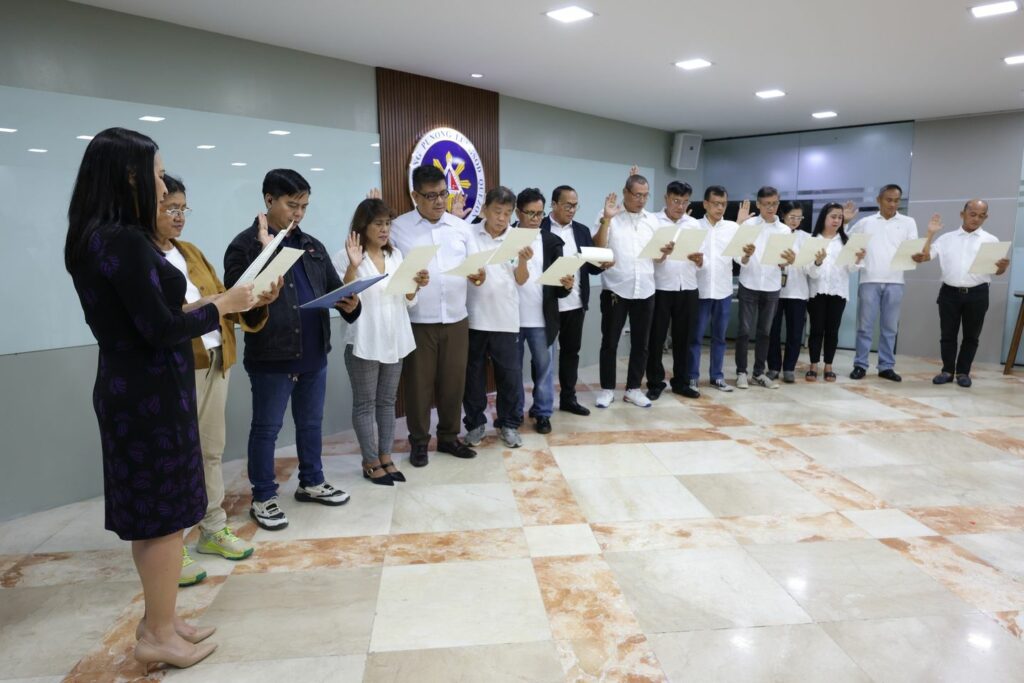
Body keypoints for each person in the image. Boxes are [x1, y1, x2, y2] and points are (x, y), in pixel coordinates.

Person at [65, 127, 255, 669]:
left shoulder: (94, 235)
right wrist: (222, 306)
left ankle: (162, 622)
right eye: (154, 174)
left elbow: (154, 316)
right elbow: (160, 328)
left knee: (161, 516)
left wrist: (217, 302)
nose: (161, 185)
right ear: (129, 177)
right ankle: (157, 635)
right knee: (163, 520)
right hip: (146, 392)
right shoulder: (123, 241)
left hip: (137, 386)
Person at [153, 175, 280, 585]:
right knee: (175, 456)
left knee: (211, 451)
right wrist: (219, 302)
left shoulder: (189, 252)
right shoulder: (143, 257)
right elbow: (162, 319)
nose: (179, 216)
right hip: (176, 367)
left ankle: (212, 528)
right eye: (170, 208)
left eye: (183, 208)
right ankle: (170, 546)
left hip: (214, 358)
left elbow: (226, 302)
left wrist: (256, 298)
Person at [224, 169, 361, 531]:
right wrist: (266, 250)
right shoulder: (244, 246)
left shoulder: (311, 246)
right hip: (272, 354)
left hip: (313, 351)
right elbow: (236, 301)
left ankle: (312, 481)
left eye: (304, 206)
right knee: (266, 429)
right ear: (269, 200)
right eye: (291, 205)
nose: (298, 213)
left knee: (311, 424)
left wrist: (350, 302)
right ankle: (263, 496)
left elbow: (333, 289)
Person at [390, 165, 484, 466]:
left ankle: (448, 438)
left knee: (453, 382)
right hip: (419, 320)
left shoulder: (461, 227)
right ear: (415, 196)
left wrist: (478, 275)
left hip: (456, 318)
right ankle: (419, 442)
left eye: (444, 194)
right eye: (431, 196)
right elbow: (390, 271)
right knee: (418, 386)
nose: (440, 201)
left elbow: (476, 268)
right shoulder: (399, 228)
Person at [333, 196, 428, 484]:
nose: (385, 229)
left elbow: (407, 300)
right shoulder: (345, 256)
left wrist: (415, 285)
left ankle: (386, 456)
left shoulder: (396, 255)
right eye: (378, 224)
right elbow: (343, 298)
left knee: (387, 402)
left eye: (388, 223)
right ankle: (370, 460)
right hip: (364, 339)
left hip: (394, 337)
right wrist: (353, 266)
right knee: (365, 403)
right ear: (363, 226)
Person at [913, 200, 1010, 387]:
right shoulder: (946, 238)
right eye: (972, 214)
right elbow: (924, 257)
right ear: (962, 214)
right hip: (949, 293)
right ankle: (947, 371)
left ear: (986, 217)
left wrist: (1002, 267)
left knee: (971, 336)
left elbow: (997, 272)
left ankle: (963, 372)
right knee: (947, 334)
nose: (976, 219)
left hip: (978, 293)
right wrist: (930, 233)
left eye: (981, 216)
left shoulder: (991, 240)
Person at [463, 187, 531, 448]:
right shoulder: (469, 233)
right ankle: (475, 424)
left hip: (506, 318)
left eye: (507, 213)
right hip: (474, 317)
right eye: (497, 211)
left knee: (509, 377)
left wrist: (523, 261)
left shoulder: (516, 237)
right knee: (473, 377)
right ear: (484, 210)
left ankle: (509, 424)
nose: (502, 218)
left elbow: (521, 280)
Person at [593, 172, 663, 408]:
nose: (641, 200)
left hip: (645, 289)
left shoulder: (652, 220)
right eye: (637, 195)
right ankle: (607, 389)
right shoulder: (610, 215)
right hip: (616, 289)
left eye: (645, 195)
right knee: (610, 342)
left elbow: (657, 258)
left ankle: (633, 388)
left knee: (641, 344)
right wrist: (606, 219)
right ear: (625, 193)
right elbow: (598, 247)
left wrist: (664, 253)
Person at [540, 185, 604, 416]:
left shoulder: (582, 231)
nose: (572, 210)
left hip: (575, 303)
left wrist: (603, 263)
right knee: (543, 357)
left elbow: (592, 269)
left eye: (575, 206)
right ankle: (541, 405)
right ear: (554, 204)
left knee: (571, 353)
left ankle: (568, 398)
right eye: (568, 205)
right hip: (546, 305)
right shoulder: (539, 227)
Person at [514, 188, 572, 433]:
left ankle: (543, 413)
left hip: (542, 318)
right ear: (518, 212)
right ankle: (514, 412)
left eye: (539, 213)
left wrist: (566, 286)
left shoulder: (551, 242)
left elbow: (558, 288)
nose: (535, 219)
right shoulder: (506, 239)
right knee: (512, 370)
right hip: (510, 318)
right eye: (530, 213)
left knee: (544, 369)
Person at [848, 184, 918, 381]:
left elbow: (912, 249)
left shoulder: (908, 222)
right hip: (869, 280)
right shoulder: (865, 223)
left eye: (896, 200)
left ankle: (886, 366)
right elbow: (847, 241)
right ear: (879, 200)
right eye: (889, 200)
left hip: (896, 281)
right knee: (864, 327)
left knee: (890, 328)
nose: (893, 204)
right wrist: (845, 222)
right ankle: (860, 365)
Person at [646, 181, 703, 400]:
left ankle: (681, 382)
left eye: (685, 202)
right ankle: (655, 382)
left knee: (685, 338)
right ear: (666, 199)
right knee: (656, 338)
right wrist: (661, 253)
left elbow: (703, 258)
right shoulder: (653, 221)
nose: (680, 206)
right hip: (660, 286)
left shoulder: (694, 224)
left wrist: (700, 260)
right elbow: (649, 256)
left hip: (688, 286)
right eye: (676, 201)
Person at [734, 186, 795, 389]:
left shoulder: (784, 230)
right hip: (749, 283)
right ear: (758, 204)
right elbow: (737, 257)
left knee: (765, 332)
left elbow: (783, 261)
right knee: (744, 330)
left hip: (771, 285)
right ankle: (741, 372)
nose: (771, 208)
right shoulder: (748, 225)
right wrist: (745, 256)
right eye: (767, 204)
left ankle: (759, 373)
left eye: (775, 203)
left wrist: (788, 261)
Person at [690, 186, 747, 392]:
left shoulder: (732, 228)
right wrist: (697, 261)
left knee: (719, 338)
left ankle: (717, 376)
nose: (720, 208)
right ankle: (692, 377)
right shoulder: (694, 226)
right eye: (715, 204)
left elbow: (739, 258)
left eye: (723, 204)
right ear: (706, 204)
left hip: (723, 290)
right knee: (695, 337)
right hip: (700, 290)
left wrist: (747, 255)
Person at [805, 203, 866, 381]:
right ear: (824, 217)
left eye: (840, 217)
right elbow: (810, 272)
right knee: (816, 330)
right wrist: (817, 262)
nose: (837, 220)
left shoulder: (846, 241)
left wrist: (857, 259)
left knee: (832, 330)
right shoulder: (813, 240)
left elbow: (851, 269)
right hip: (817, 291)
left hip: (838, 292)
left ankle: (829, 366)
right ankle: (813, 365)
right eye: (833, 216)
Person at [766, 202, 809, 383]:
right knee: (772, 331)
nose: (795, 221)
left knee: (795, 332)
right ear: (783, 215)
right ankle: (773, 367)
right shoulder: (774, 234)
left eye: (799, 217)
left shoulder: (806, 238)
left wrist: (796, 260)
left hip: (797, 292)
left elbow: (810, 268)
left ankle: (789, 368)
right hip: (774, 290)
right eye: (792, 217)